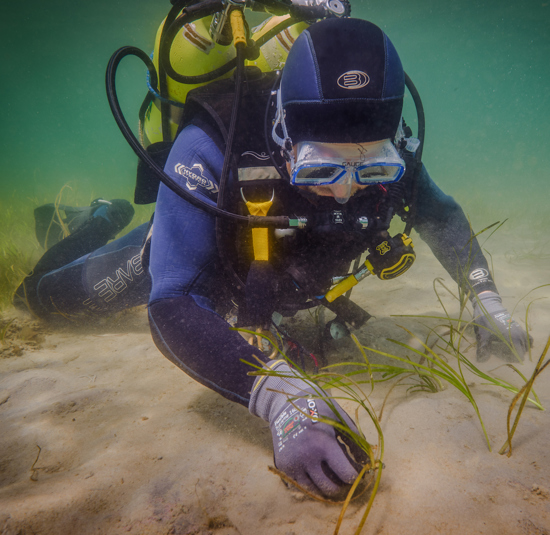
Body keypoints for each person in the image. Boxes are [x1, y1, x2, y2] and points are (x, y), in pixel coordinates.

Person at [15, 17, 530, 499]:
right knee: (47, 298)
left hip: (279, 287)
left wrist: (487, 301)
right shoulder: (211, 143)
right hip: (200, 253)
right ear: (283, 135)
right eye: (321, 171)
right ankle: (102, 219)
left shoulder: (387, 149)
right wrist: (280, 398)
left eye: (372, 171)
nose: (348, 191)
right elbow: (172, 300)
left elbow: (441, 215)